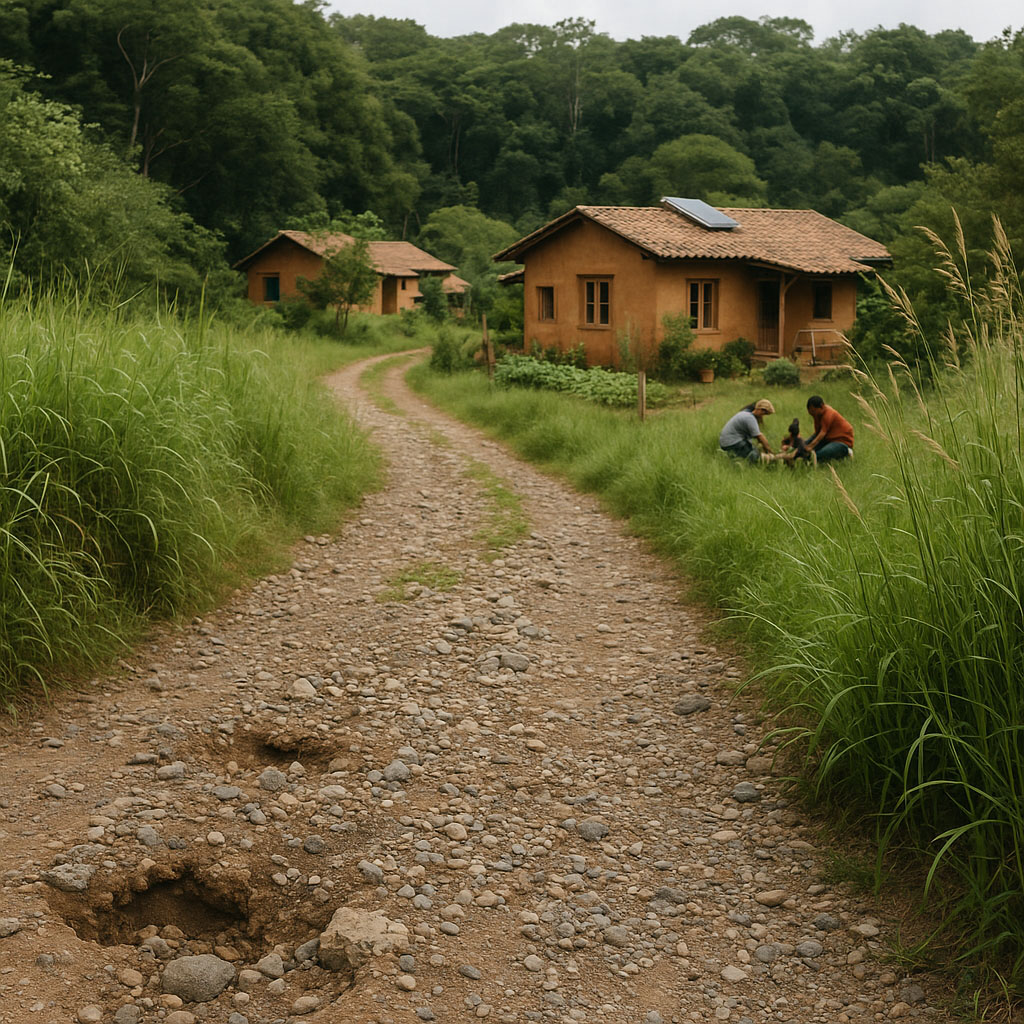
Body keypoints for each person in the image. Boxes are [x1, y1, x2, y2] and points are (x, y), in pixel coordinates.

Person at [719, 399, 775, 463]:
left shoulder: (745, 413)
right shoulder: (750, 418)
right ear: (760, 409)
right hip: (732, 443)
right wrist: (769, 451)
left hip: (727, 442)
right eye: (764, 413)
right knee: (756, 457)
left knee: (753, 449)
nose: (763, 416)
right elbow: (760, 437)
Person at [804, 395, 854, 464]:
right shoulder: (817, 415)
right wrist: (804, 444)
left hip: (841, 442)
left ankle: (847, 452)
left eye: (814, 411)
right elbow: (817, 434)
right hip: (828, 440)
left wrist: (810, 446)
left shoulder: (829, 413)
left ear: (821, 406)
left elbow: (822, 434)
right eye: (811, 413)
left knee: (818, 455)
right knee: (804, 449)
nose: (813, 415)